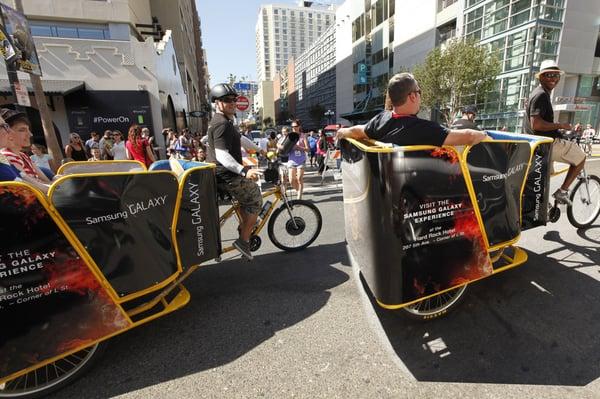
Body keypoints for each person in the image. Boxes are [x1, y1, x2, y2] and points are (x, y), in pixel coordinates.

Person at [336, 73, 487, 148]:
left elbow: (356, 131)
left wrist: (342, 132)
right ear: (413, 96)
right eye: (419, 92)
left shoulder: (379, 120)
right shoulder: (424, 129)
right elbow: (469, 136)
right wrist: (486, 135)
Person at [205, 83, 264, 260]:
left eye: (233, 99)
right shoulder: (221, 123)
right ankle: (243, 240)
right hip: (227, 176)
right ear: (216, 103)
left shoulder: (224, 121)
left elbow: (241, 139)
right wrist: (244, 170)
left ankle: (245, 225)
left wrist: (260, 150)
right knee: (255, 199)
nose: (231, 103)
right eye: (226, 100)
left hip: (222, 175)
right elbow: (222, 155)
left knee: (246, 198)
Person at [523, 59, 585, 205]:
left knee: (544, 177)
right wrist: (561, 125)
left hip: (538, 145)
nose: (554, 79)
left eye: (556, 76)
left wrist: (561, 131)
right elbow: (536, 124)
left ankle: (541, 203)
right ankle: (562, 192)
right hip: (547, 144)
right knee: (581, 158)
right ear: (541, 77)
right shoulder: (541, 95)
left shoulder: (538, 93)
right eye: (549, 75)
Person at [286, 119, 309, 200]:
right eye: (292, 127)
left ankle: (299, 197)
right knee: (291, 180)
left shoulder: (303, 136)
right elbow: (280, 144)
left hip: (301, 160)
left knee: (299, 178)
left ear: (299, 126)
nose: (294, 128)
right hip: (291, 160)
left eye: (295, 126)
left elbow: (307, 149)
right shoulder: (289, 135)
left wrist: (298, 147)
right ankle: (298, 190)